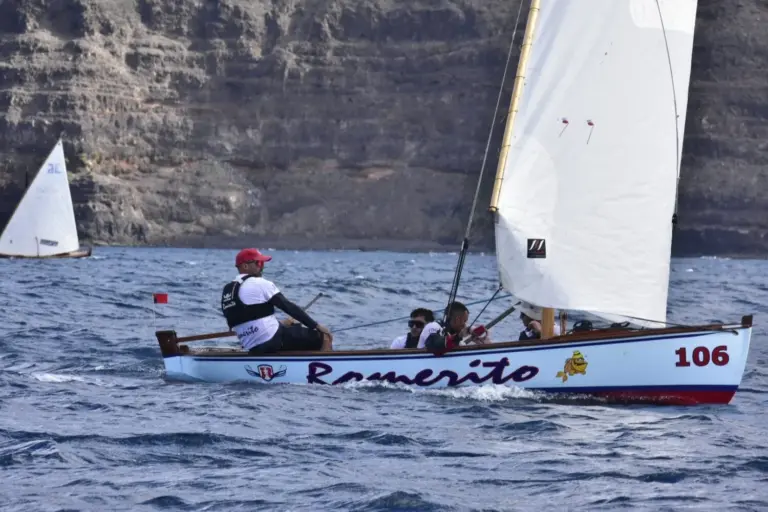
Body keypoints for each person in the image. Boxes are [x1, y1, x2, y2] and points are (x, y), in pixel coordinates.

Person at [221, 248, 333, 353]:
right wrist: (316, 326)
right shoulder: (259, 283)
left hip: (250, 345)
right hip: (272, 340)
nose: (262, 267)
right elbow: (288, 307)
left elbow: (247, 317)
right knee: (324, 336)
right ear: (245, 266)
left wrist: (282, 323)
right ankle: (323, 369)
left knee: (292, 329)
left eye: (262, 263)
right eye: (258, 263)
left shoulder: (228, 289)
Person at [419, 301, 491, 350]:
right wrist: (459, 336)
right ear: (457, 319)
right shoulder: (433, 327)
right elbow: (434, 344)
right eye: (464, 321)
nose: (465, 324)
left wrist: (483, 343)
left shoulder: (452, 335)